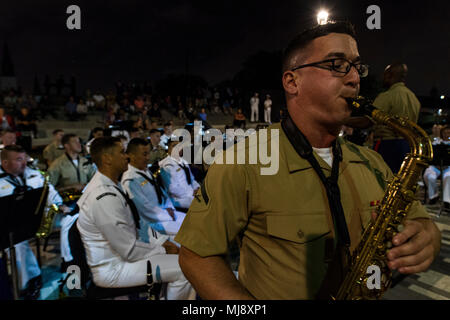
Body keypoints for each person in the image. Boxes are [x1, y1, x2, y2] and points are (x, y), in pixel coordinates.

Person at [174, 21, 441, 300]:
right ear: (292, 82)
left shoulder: (373, 162)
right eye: (337, 64)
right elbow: (195, 256)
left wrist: (428, 236)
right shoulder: (242, 161)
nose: (354, 79)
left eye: (356, 67)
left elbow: (421, 223)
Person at [76, 137, 195, 299]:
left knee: (180, 257)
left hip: (121, 258)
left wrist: (161, 242)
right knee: (185, 269)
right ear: (107, 159)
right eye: (122, 152)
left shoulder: (111, 185)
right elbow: (129, 250)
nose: (127, 156)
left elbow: (136, 224)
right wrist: (164, 249)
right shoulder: (103, 196)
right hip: (113, 268)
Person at [0, 145, 68, 299]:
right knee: (16, 242)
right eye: (18, 160)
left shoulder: (34, 174)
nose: (24, 163)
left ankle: (69, 265)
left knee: (70, 220)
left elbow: (49, 191)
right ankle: (29, 280)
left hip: (33, 221)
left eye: (24, 158)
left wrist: (60, 205)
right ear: (5, 162)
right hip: (7, 225)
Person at [122, 138, 186, 242]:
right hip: (153, 223)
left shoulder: (145, 171)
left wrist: (170, 208)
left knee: (193, 221)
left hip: (164, 213)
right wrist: (166, 214)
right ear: (132, 156)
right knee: (189, 230)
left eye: (148, 153)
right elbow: (144, 209)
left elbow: (162, 193)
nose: (148, 158)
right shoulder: (130, 180)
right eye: (144, 154)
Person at [48, 134, 96, 266]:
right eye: (75, 142)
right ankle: (68, 260)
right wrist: (70, 187)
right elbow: (49, 187)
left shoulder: (85, 162)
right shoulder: (57, 164)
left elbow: (94, 179)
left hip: (86, 201)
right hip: (68, 204)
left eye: (79, 141)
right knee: (67, 224)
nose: (79, 144)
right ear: (67, 146)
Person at [372, 62, 421, 173]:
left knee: (382, 179)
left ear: (390, 75)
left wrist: (343, 120)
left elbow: (367, 121)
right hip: (407, 146)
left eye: (384, 75)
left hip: (386, 144)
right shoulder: (414, 99)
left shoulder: (387, 96)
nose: (383, 78)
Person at [159, 139, 200, 211]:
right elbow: (172, 189)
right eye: (174, 146)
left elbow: (192, 179)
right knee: (203, 204)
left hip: (190, 194)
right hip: (178, 199)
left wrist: (197, 188)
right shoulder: (166, 165)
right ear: (169, 148)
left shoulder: (183, 161)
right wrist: (191, 193)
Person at [423, 125, 450, 208]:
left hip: (448, 167)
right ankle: (433, 196)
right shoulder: (436, 143)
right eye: (445, 133)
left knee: (448, 176)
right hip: (435, 166)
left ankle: (447, 200)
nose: (446, 134)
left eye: (448, 133)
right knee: (430, 176)